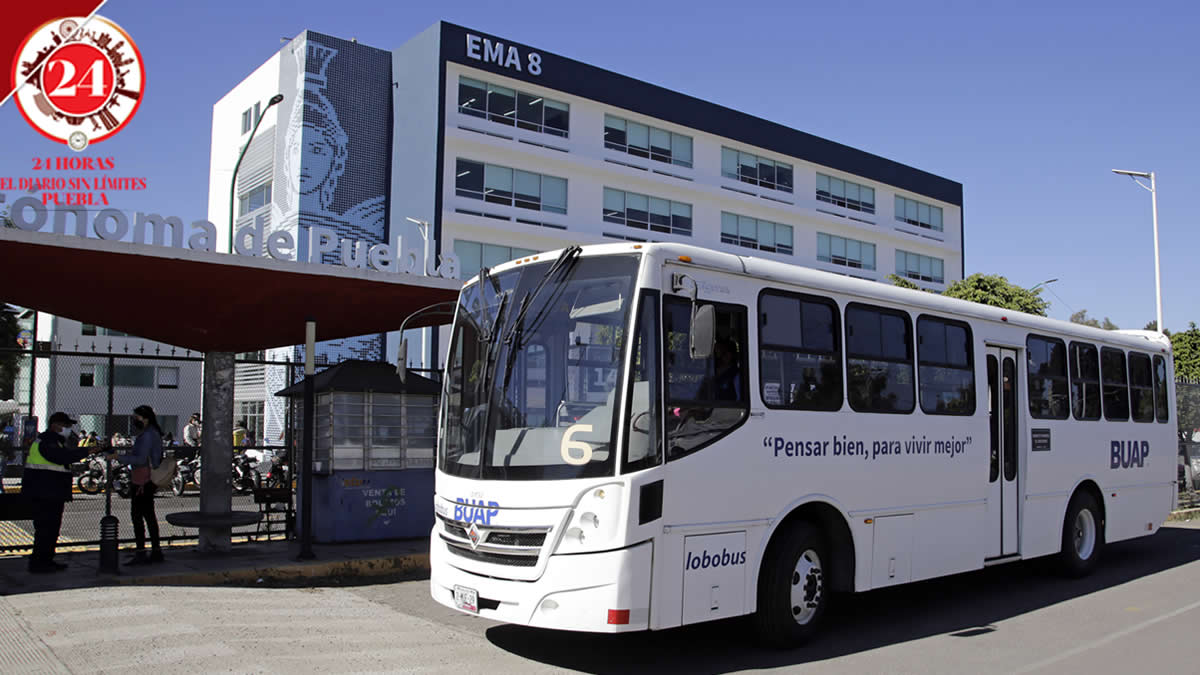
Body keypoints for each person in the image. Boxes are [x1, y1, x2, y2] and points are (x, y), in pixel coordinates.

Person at [22, 412, 100, 573]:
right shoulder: (47, 441)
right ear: (55, 425)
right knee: (45, 530)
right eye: (66, 426)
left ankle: (46, 560)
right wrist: (87, 451)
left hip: (50, 492)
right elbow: (62, 458)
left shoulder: (55, 441)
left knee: (50, 530)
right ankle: (40, 563)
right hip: (44, 493)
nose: (68, 429)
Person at [110, 405, 165, 565]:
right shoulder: (153, 433)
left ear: (145, 418)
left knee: (138, 516)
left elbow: (140, 459)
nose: (134, 420)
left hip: (142, 480)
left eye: (136, 417)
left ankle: (141, 552)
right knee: (149, 516)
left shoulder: (147, 435)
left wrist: (118, 457)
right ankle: (155, 551)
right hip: (147, 479)